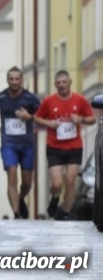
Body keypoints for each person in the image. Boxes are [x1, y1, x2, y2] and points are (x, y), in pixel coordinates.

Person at [34, 70, 94, 220]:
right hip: (54, 147)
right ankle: (55, 198)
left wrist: (81, 119)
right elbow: (36, 118)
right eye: (58, 83)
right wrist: (49, 123)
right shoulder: (49, 101)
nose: (61, 85)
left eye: (64, 82)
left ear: (70, 82)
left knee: (70, 180)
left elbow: (92, 118)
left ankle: (65, 213)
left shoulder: (79, 100)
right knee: (57, 183)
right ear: (55, 84)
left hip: (74, 146)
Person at [0, 66, 41, 219]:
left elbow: (42, 115)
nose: (14, 82)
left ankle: (21, 198)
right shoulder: (0, 97)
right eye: (11, 79)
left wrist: (29, 116)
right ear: (7, 80)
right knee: (12, 176)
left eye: (17, 79)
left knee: (27, 182)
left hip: (27, 143)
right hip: (9, 143)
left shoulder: (30, 98)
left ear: (22, 80)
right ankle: (16, 213)